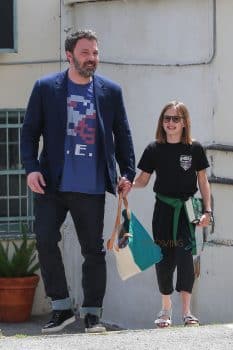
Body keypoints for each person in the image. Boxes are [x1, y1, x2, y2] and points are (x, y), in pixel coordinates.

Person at [20, 29, 135, 333]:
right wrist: (31, 169)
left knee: (93, 251)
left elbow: (122, 134)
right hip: (51, 184)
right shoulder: (46, 88)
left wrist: (128, 172)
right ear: (69, 55)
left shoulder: (111, 91)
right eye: (85, 53)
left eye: (95, 53)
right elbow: (29, 132)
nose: (92, 59)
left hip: (92, 185)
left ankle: (93, 313)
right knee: (44, 240)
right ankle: (61, 307)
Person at [133, 100, 212, 327]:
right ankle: (166, 309)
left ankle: (187, 312)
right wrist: (128, 185)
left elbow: (203, 181)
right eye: (166, 118)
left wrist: (208, 211)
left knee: (185, 256)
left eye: (175, 118)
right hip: (163, 209)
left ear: (184, 122)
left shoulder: (194, 148)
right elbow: (143, 180)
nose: (170, 123)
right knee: (163, 256)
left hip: (188, 209)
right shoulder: (154, 149)